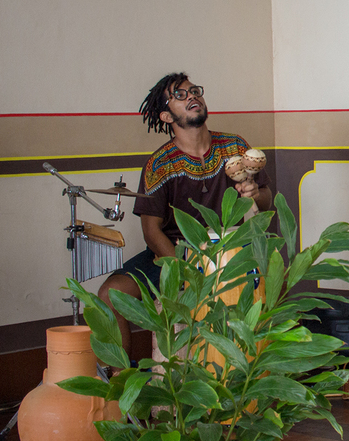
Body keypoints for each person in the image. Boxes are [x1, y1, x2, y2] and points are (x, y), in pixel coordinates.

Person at [98, 73, 272, 353]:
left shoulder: (235, 147)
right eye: (179, 95)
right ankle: (118, 380)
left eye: (194, 91)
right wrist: (184, 272)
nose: (192, 96)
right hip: (175, 252)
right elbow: (151, 231)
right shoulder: (159, 164)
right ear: (167, 117)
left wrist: (254, 193)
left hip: (230, 252)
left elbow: (266, 201)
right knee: (109, 294)